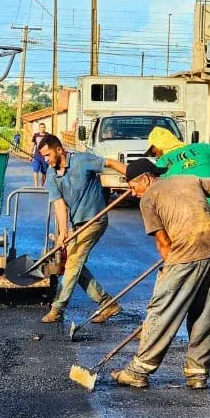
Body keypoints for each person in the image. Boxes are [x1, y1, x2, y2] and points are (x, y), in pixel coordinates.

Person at [111, 159, 210, 390]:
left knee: (161, 311)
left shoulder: (149, 198)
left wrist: (168, 273)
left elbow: (163, 243)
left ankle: (138, 370)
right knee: (203, 312)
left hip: (187, 254)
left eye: (132, 186)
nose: (133, 192)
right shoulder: (188, 180)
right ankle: (198, 372)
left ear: (145, 179)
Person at [147, 126, 210, 343]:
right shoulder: (202, 148)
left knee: (188, 269)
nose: (155, 154)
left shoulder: (163, 164)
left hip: (189, 219)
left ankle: (175, 324)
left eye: (154, 150)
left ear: (159, 147)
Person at [38, 134, 127, 324]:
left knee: (73, 263)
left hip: (95, 220)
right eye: (43, 157)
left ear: (59, 149)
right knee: (75, 264)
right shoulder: (52, 175)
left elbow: (110, 163)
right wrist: (63, 233)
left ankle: (58, 308)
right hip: (78, 224)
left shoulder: (82, 160)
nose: (46, 160)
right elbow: (59, 204)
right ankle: (107, 303)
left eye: (48, 155)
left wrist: (133, 175)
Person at [30, 123, 50, 188]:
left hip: (45, 156)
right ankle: (36, 185)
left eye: (43, 127)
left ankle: (42, 186)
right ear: (39, 128)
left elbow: (50, 146)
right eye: (41, 127)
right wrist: (31, 154)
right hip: (37, 155)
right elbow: (33, 145)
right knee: (35, 169)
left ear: (45, 128)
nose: (42, 128)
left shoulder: (48, 135)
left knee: (44, 172)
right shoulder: (36, 135)